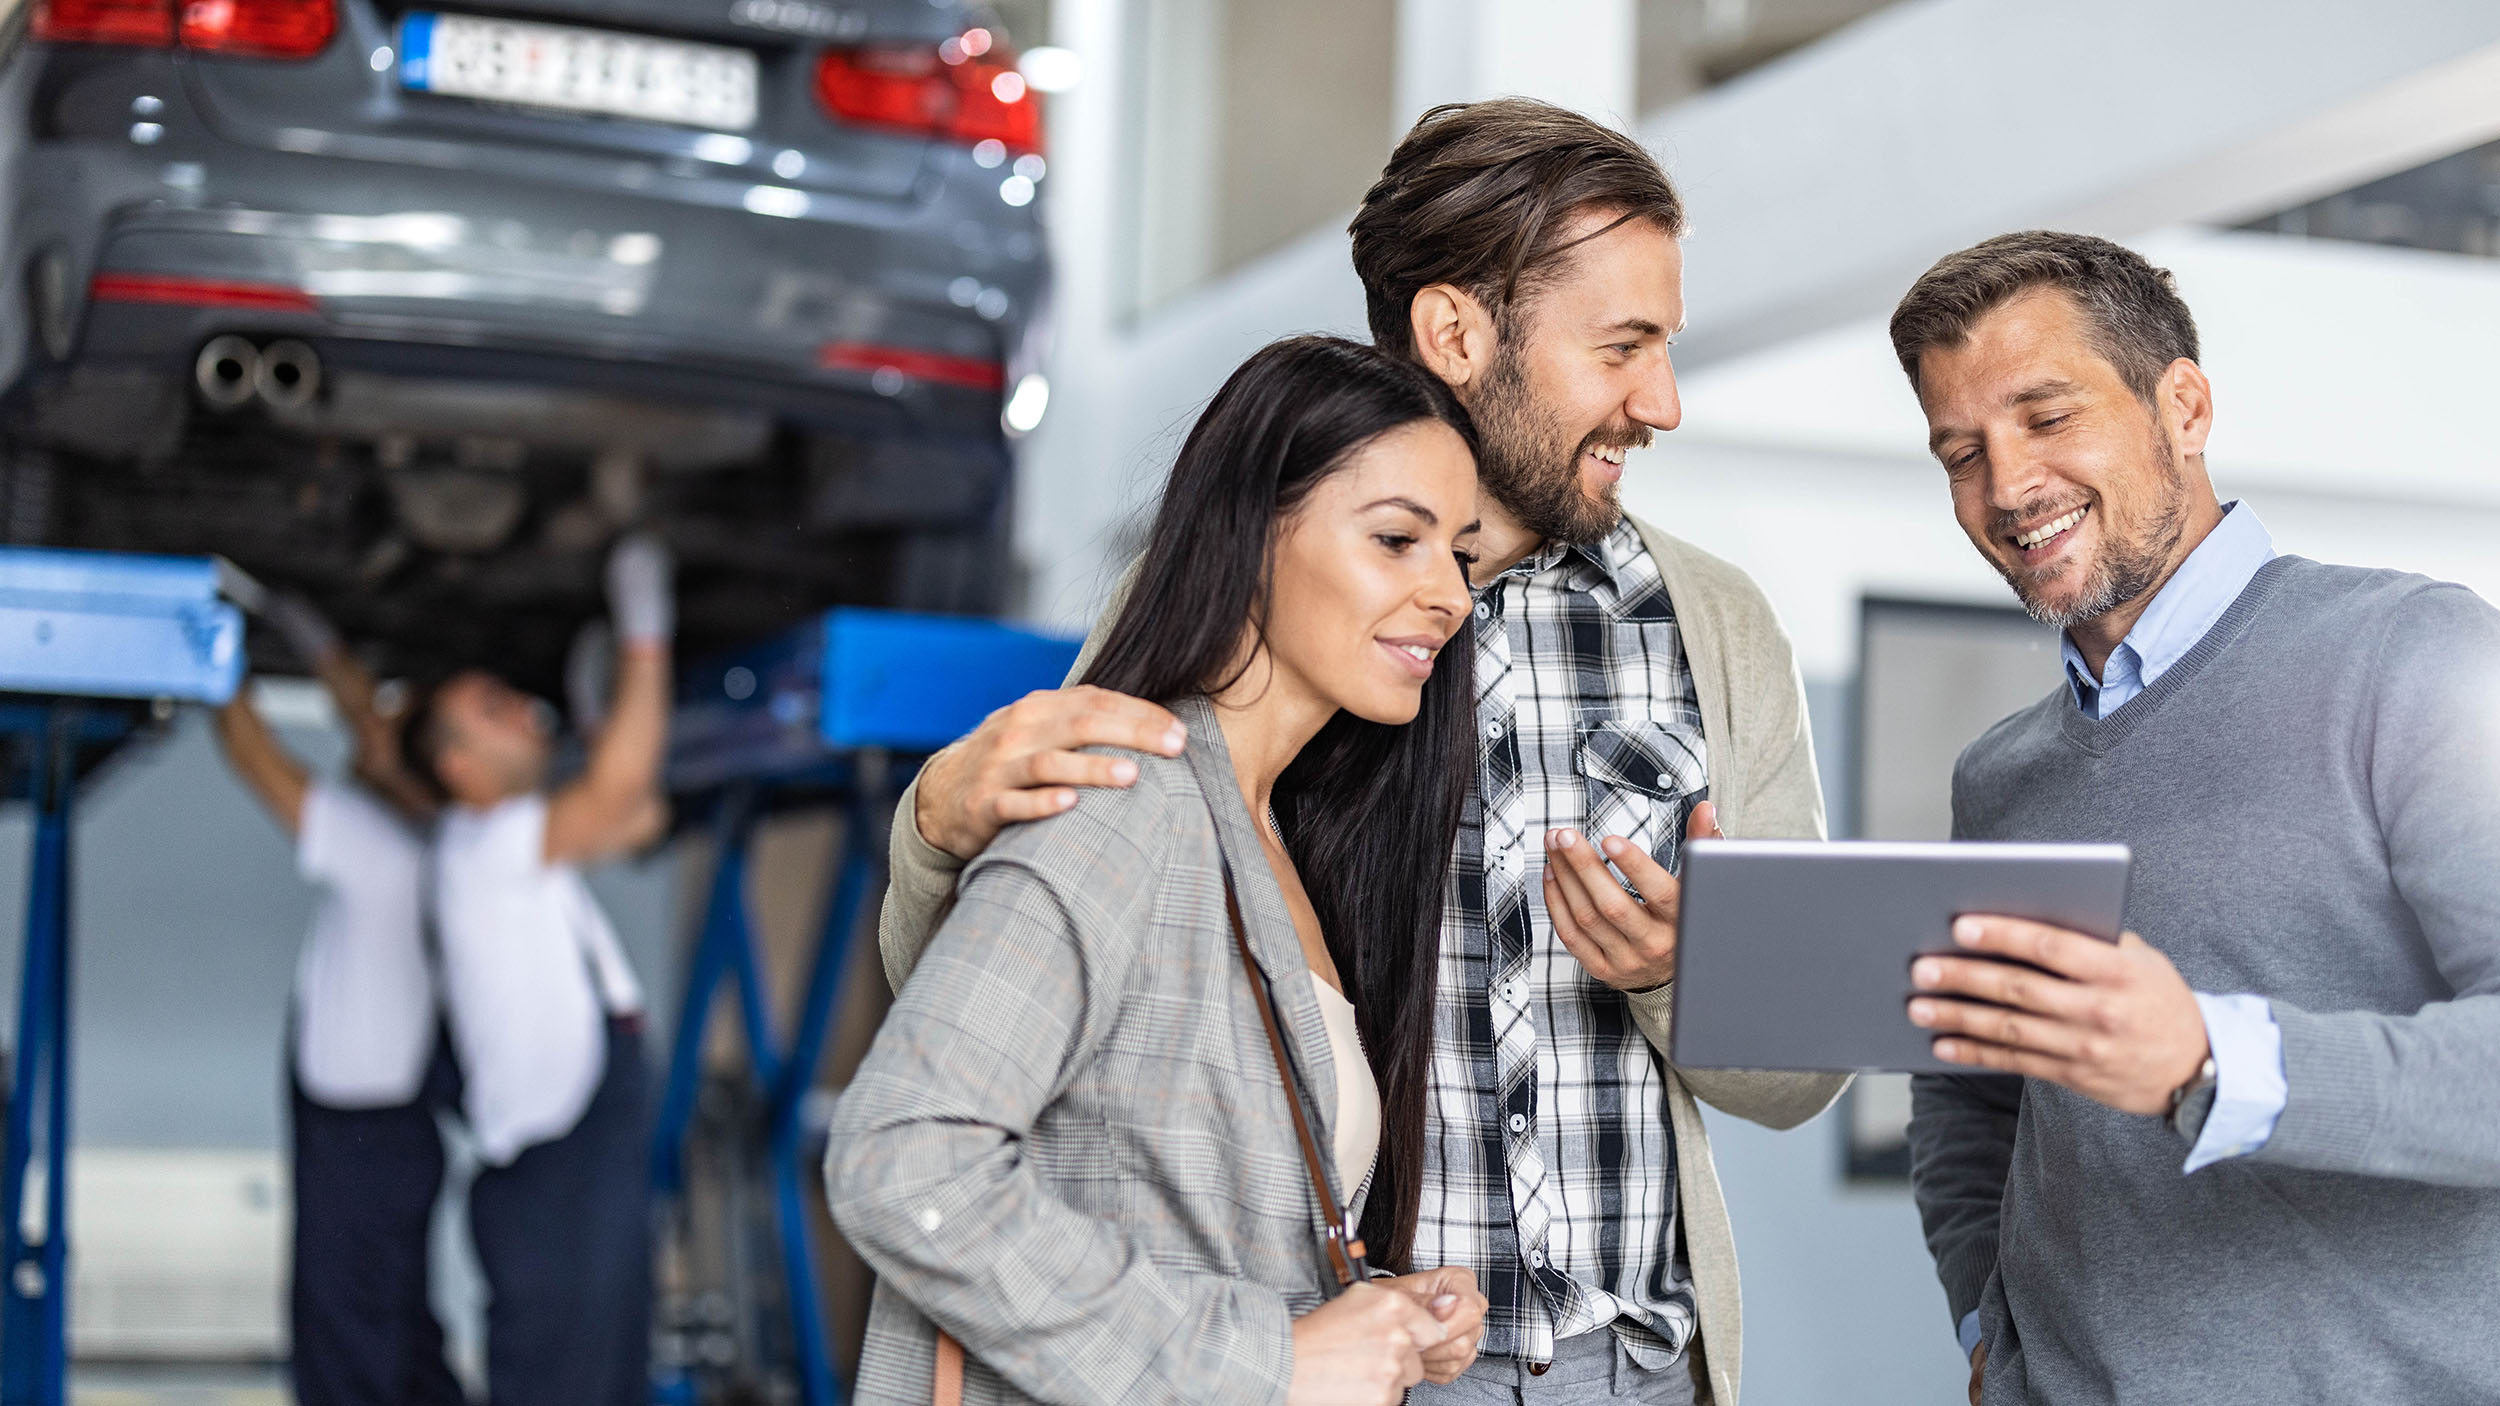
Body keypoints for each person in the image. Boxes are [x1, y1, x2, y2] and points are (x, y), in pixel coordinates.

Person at [877, 100, 1847, 1405]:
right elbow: (1000, 1003)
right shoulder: (1237, 605)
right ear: (1456, 331)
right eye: (1623, 347)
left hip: (1634, 1370)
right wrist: (937, 824)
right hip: (1335, 1362)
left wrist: (1689, 970)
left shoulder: (1711, 628)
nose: (1660, 401)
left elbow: (1806, 1071)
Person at [1889, 231, 2500, 1404]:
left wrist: (2207, 1057)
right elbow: (1967, 1090)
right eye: (1960, 451)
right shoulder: (2000, 779)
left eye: (2048, 416)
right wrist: (1986, 1312)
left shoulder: (2414, 657)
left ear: (2183, 404)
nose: (2006, 487)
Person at [828, 336, 1491, 1406]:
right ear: (1251, 534)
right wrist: (1274, 1358)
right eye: (1397, 539)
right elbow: (902, 1158)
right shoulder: (1121, 799)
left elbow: (1173, 1222)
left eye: (1459, 553)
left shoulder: (1274, 837)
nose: (1449, 595)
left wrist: (1367, 1311)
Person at [398, 534, 674, 1406]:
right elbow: (626, 791)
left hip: (575, 1167)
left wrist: (605, 745)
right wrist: (644, 627)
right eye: (492, 706)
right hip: (557, 1179)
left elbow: (639, 818)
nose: (521, 706)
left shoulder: (508, 845)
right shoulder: (484, 846)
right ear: (458, 767)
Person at [214, 595, 463, 1406]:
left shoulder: (378, 845)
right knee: (390, 1326)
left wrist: (214, 656)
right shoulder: (426, 829)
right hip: (388, 1133)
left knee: (347, 1343)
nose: (370, 725)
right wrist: (318, 642)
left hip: (363, 1138)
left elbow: (255, 755)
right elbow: (381, 728)